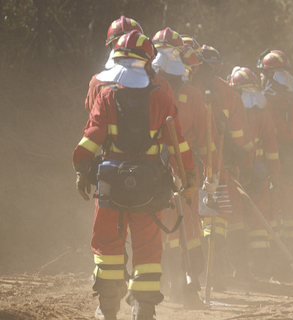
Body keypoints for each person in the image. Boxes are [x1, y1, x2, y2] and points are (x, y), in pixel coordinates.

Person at [72, 30, 196, 320]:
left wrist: (81, 169)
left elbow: (90, 139)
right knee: (148, 247)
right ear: (148, 63)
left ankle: (107, 311)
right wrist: (187, 178)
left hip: (110, 185)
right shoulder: (162, 98)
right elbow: (179, 145)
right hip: (150, 187)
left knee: (107, 244)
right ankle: (144, 310)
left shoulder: (105, 95)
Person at [150, 27, 217, 309]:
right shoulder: (145, 88)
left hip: (180, 170)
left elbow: (206, 141)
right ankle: (158, 287)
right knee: (159, 229)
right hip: (154, 168)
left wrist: (209, 176)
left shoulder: (191, 94)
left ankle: (186, 287)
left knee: (184, 230)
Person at [191, 44, 253, 289]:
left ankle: (185, 278)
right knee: (214, 220)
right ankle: (212, 276)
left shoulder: (182, 87)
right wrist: (244, 163)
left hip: (185, 164)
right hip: (215, 166)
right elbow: (241, 138)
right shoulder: (227, 91)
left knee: (189, 221)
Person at [257, 49, 293, 279]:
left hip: (275, 163)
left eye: (263, 73)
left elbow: (264, 135)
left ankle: (278, 268)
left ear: (270, 74)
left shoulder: (266, 101)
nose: (261, 77)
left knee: (274, 215)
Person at [229, 66, 280, 278]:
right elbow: (273, 151)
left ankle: (240, 269)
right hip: (258, 173)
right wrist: (275, 177)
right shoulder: (264, 115)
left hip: (237, 172)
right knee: (258, 222)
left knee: (236, 219)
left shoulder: (232, 112)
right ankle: (260, 268)